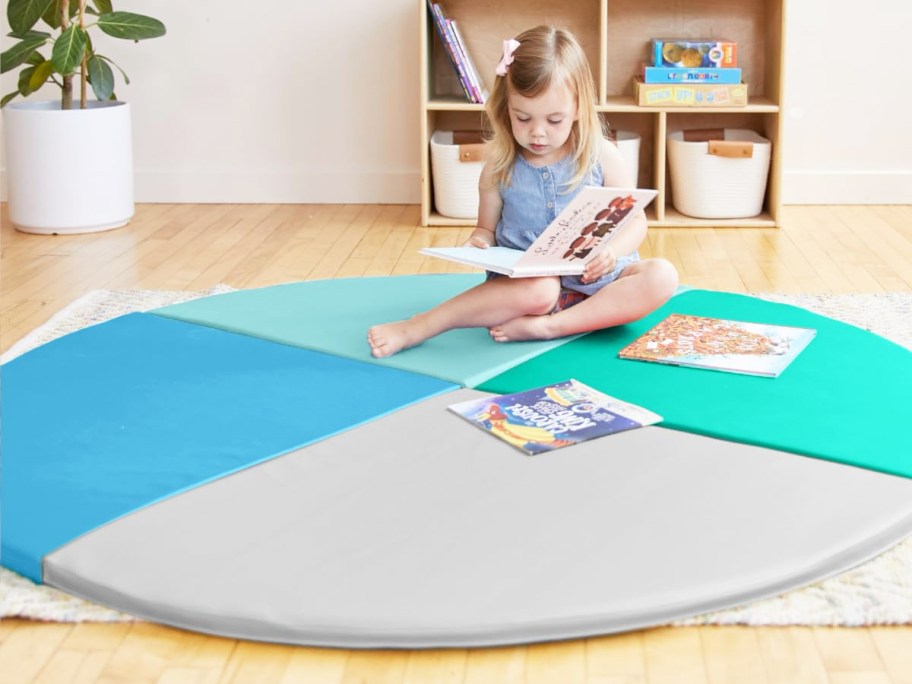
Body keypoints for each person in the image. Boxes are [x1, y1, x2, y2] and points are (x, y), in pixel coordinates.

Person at [368, 25, 678, 358]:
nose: (538, 133)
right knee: (541, 289)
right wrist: (479, 243)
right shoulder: (499, 166)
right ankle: (420, 325)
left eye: (554, 120)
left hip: (601, 286)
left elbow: (635, 222)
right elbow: (485, 230)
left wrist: (613, 252)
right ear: (506, 109)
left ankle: (551, 328)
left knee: (662, 275)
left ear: (578, 108)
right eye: (523, 118)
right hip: (529, 292)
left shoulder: (601, 154)